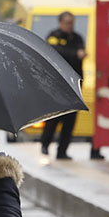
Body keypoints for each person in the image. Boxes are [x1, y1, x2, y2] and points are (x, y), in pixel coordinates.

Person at [40, 12, 86, 160]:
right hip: (57, 85)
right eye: (66, 22)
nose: (69, 25)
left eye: (71, 22)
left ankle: (62, 150)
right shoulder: (54, 36)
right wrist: (75, 54)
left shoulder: (77, 38)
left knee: (70, 121)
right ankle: (45, 144)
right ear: (60, 23)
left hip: (73, 86)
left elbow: (82, 54)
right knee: (53, 118)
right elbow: (56, 52)